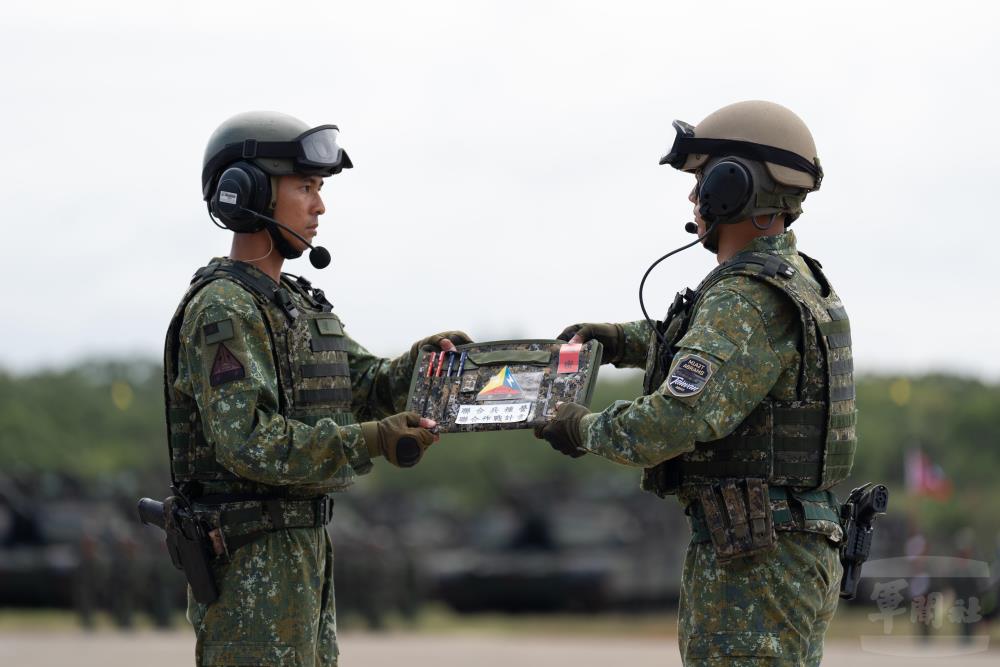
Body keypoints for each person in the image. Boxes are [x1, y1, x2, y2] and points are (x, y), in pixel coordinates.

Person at [537, 100, 854, 665]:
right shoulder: (795, 278)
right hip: (782, 549)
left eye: (702, 181)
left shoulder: (744, 298)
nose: (693, 199)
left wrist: (580, 427)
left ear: (733, 188)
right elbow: (717, 354)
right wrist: (620, 340)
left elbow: (673, 419)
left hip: (755, 566)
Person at [165, 110, 469, 666]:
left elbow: (367, 384)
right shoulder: (224, 310)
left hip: (303, 557)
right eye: (305, 187)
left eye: (319, 189)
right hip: (250, 570)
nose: (320, 206)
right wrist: (372, 440)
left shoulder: (297, 304)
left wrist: (425, 364)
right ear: (248, 192)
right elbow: (248, 442)